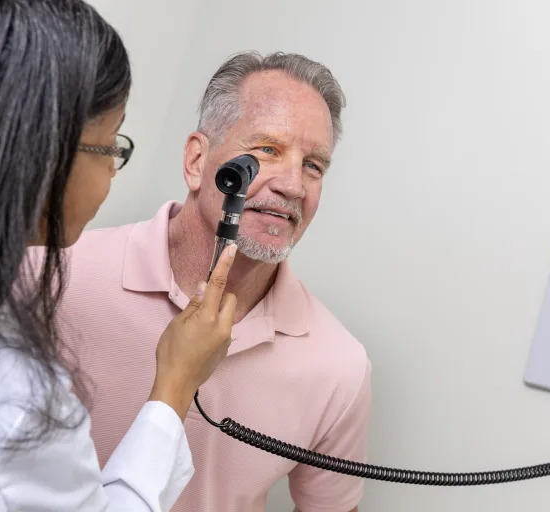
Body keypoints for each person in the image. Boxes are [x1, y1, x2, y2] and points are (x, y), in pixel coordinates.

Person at [0, 1, 239, 511]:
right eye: (111, 146)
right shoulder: (10, 401)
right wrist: (176, 387)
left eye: (314, 165)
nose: (114, 171)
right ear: (37, 153)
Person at [60, 51, 373, 511]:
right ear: (196, 160)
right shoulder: (60, 274)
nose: (294, 185)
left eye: (314, 166)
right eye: (267, 149)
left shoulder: (340, 366)